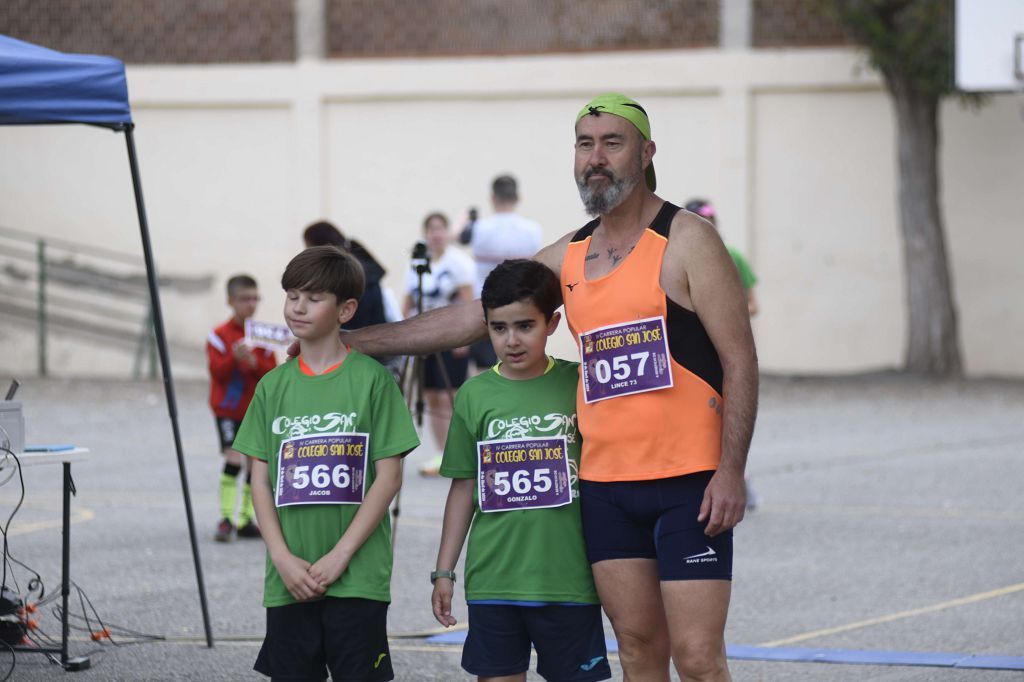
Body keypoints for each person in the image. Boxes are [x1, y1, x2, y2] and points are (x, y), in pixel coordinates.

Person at [321, 92, 758, 681]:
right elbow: (475, 315)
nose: (595, 157)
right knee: (637, 646)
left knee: (700, 658)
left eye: (612, 142)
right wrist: (353, 341)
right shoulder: (570, 254)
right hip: (606, 488)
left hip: (688, 481)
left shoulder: (687, 239)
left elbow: (740, 361)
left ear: (647, 152)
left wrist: (730, 470)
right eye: (585, 144)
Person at [232, 246, 419, 681]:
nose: (298, 306)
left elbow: (388, 479)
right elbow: (259, 482)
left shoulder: (372, 381)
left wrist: (341, 555)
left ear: (346, 309)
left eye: (314, 298)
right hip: (289, 578)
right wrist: (281, 557)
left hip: (357, 576)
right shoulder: (272, 387)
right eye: (292, 294)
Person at [431, 259, 610, 682]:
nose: (511, 340)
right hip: (494, 580)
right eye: (498, 328)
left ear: (552, 323)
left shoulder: (580, 384)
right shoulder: (474, 394)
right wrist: (444, 572)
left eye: (525, 326)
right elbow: (463, 487)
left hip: (569, 581)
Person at [403, 212, 475, 477]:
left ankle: (461, 451)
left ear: (447, 232)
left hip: (451, 336)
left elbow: (468, 302)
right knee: (432, 397)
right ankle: (442, 453)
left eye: (440, 228)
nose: (436, 234)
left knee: (450, 396)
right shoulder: (416, 263)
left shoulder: (459, 262)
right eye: (431, 228)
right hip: (425, 340)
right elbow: (408, 301)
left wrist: (464, 336)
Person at [206, 274, 276, 542]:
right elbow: (216, 373)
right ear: (230, 301)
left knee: (254, 465)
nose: (251, 304)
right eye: (245, 299)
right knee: (233, 457)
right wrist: (233, 359)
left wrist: (254, 362)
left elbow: (271, 373)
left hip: (254, 409)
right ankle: (225, 518)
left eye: (255, 298)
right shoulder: (219, 336)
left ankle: (246, 518)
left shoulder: (263, 335)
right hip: (228, 408)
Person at [461, 175, 543, 370]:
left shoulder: (478, 228)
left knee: (485, 369)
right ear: (518, 198)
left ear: (492, 198)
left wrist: (463, 220)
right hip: (523, 305)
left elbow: (458, 238)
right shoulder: (533, 230)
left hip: (484, 306)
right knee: (522, 364)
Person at [684, 199, 759, 317]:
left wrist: (724, 315)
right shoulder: (680, 259)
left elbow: (753, 306)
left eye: (707, 222)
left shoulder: (734, 256)